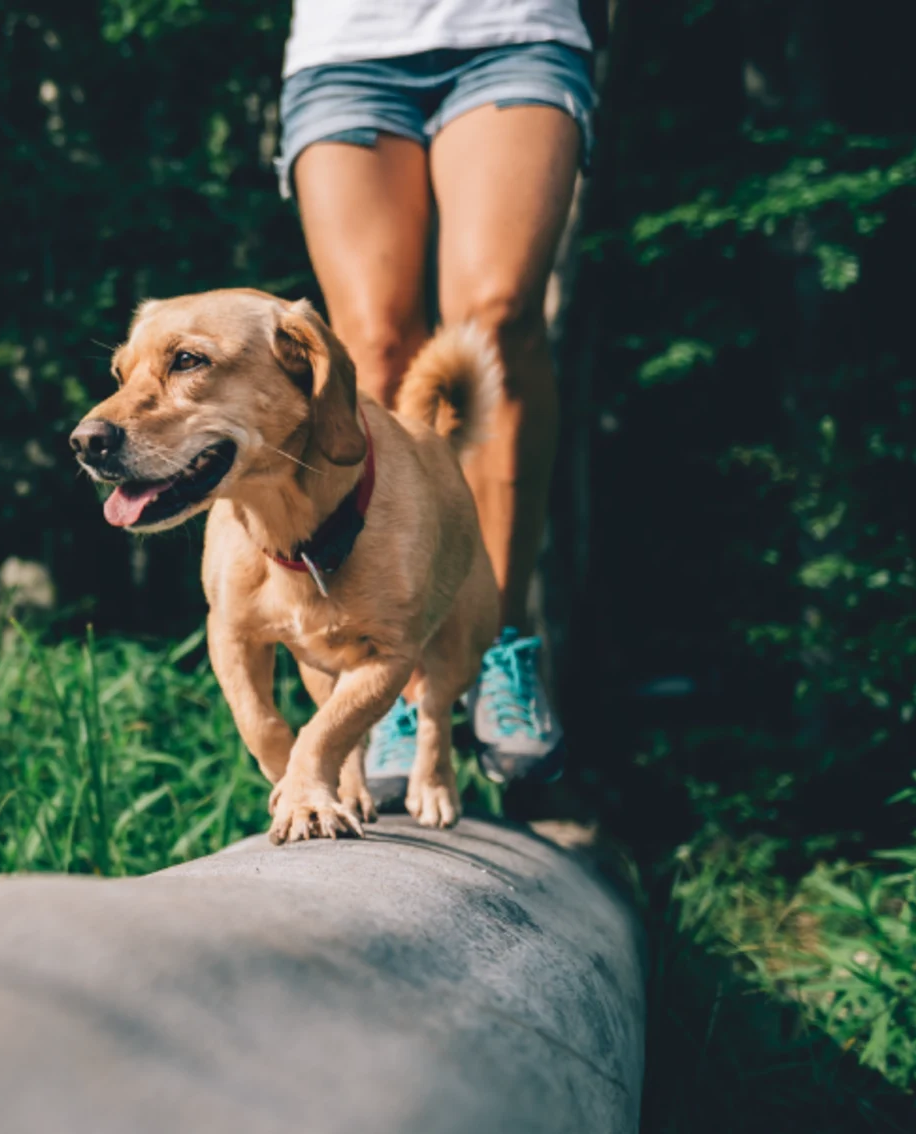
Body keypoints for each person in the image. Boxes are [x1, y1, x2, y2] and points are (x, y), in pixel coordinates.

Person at [275, 0, 589, 792]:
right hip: (346, 52)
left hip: (514, 34)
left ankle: (500, 645)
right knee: (371, 348)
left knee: (497, 320)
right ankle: (394, 676)